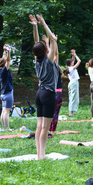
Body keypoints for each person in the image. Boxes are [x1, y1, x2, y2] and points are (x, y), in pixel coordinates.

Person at [30, 14, 58, 160]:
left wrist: (35, 26)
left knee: (39, 126)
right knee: (45, 128)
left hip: (39, 93)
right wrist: (43, 23)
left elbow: (36, 43)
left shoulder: (37, 60)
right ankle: (42, 155)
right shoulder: (48, 60)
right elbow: (53, 40)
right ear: (45, 50)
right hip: (48, 95)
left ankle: (38, 154)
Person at [0, 44, 13, 130]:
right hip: (8, 94)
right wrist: (8, 52)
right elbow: (8, 60)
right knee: (7, 112)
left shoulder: (0, 70)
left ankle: (4, 127)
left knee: (4, 111)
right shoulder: (4, 71)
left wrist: (4, 52)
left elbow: (4, 60)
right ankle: (7, 128)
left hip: (3, 94)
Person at [65, 49, 81, 116]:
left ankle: (71, 112)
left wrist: (73, 55)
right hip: (74, 83)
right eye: (72, 62)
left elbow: (73, 60)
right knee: (73, 98)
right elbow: (79, 61)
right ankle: (70, 113)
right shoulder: (72, 68)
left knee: (72, 97)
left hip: (72, 83)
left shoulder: (69, 67)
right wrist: (75, 55)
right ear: (70, 63)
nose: (73, 62)